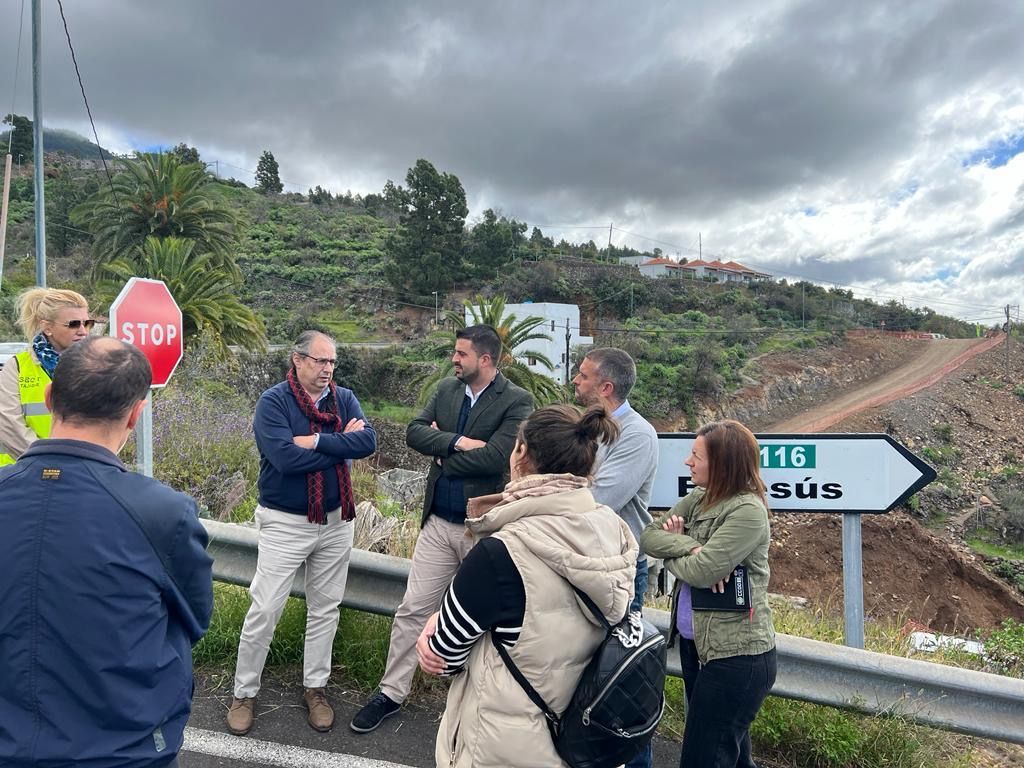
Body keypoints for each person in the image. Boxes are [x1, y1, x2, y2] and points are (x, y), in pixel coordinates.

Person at [0, 337, 213, 767]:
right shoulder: (162, 512)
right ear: (137, 412)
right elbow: (194, 617)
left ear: (48, 396)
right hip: (124, 752)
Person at [415, 403, 637, 768]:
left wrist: (435, 629)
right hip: (582, 740)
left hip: (502, 746)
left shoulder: (500, 553)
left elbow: (445, 657)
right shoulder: (613, 530)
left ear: (520, 454)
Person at [350, 324, 533, 733]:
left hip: (481, 529)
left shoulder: (518, 400)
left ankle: (474, 703)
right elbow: (414, 432)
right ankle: (390, 692)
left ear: (485, 360)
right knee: (413, 609)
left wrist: (443, 454)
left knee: (482, 620)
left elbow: (499, 459)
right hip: (437, 521)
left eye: (461, 354)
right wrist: (461, 443)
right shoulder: (447, 390)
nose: (454, 359)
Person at [227, 331, 377, 736]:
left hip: (335, 521)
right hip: (285, 521)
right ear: (297, 359)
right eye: (319, 361)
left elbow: (368, 442)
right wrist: (340, 442)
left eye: (332, 362)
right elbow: (283, 458)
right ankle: (244, 693)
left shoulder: (343, 398)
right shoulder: (273, 402)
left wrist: (314, 440)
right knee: (265, 608)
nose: (327, 369)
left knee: (325, 609)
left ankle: (316, 689)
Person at [640, 420, 776, 768]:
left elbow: (703, 572)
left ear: (722, 463)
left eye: (696, 455)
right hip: (696, 646)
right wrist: (692, 546)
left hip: (736, 656)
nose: (688, 462)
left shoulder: (747, 511)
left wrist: (682, 553)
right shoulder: (700, 498)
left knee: (704, 757)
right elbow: (649, 537)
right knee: (730, 756)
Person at [573, 348, 659, 767]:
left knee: (620, 679)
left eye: (583, 375)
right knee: (582, 678)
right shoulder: (588, 428)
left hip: (621, 571)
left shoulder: (637, 434)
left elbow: (599, 500)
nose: (575, 380)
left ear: (605, 387)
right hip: (584, 563)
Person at [0, 287, 92, 465]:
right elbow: (9, 425)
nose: (83, 331)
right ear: (47, 327)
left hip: (80, 472)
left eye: (87, 323)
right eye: (74, 324)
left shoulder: (95, 365)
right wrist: (48, 462)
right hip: (22, 475)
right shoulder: (17, 367)